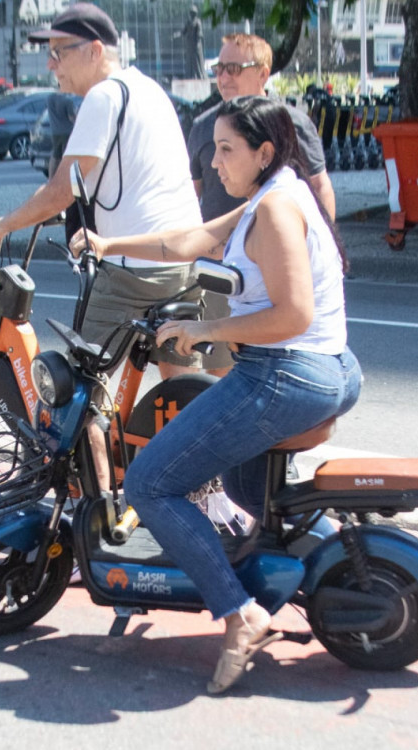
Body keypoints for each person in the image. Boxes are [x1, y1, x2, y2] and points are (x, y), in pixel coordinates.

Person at [69, 96, 362, 694]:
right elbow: (190, 241)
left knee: (150, 482)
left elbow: (292, 315)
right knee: (237, 487)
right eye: (213, 149)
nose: (215, 162)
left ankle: (239, 614)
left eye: (227, 150)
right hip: (327, 368)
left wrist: (204, 330)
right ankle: (287, 563)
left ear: (264, 151)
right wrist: (107, 245)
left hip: (288, 372)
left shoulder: (276, 210)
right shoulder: (275, 192)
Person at [0, 3, 202, 380]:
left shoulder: (104, 96)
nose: (50, 64)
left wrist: (1, 225)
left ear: (95, 51)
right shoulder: (148, 89)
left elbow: (60, 190)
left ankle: (92, 434)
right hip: (183, 261)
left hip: (134, 272)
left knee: (77, 391)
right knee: (180, 393)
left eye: (58, 52)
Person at [187, 33, 336, 375]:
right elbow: (192, 195)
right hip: (221, 267)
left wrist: (324, 256)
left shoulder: (292, 123)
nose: (224, 77)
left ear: (263, 74)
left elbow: (319, 186)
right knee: (221, 375)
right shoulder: (201, 126)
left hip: (275, 270)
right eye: (220, 68)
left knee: (274, 369)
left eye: (235, 68)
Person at [45, 91, 79, 178]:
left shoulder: (50, 98)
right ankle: (64, 177)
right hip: (67, 132)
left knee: (55, 155)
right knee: (66, 156)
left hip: (55, 131)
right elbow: (72, 117)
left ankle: (51, 178)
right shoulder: (68, 101)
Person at [174, 6, 206, 79]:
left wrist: (198, 41)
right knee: (189, 61)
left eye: (193, 13)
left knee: (197, 61)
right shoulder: (188, 22)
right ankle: (190, 76)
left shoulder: (198, 22)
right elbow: (183, 31)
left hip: (196, 45)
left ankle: (199, 76)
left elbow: (199, 33)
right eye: (191, 13)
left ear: (195, 14)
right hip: (190, 45)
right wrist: (177, 34)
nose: (192, 14)